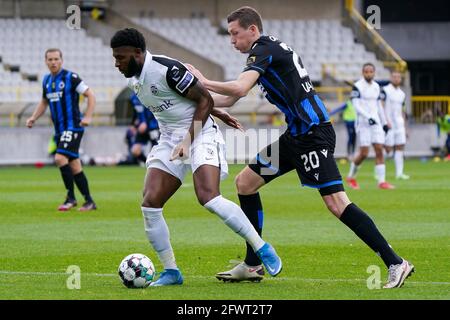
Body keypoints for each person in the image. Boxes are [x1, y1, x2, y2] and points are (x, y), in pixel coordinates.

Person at [187, 6, 413, 288]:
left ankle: (395, 262)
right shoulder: (265, 53)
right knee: (245, 183)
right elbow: (230, 101)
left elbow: (239, 90)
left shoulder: (264, 48)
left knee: (336, 202)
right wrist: (196, 99)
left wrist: (201, 81)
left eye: (235, 34)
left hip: (313, 134)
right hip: (295, 136)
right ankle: (253, 264)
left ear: (252, 30)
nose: (232, 41)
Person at [110, 28, 282, 286]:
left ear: (137, 53)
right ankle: (171, 272)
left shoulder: (167, 69)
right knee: (150, 204)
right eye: (115, 58)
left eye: (121, 57)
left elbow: (202, 100)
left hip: (200, 134)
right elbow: (184, 101)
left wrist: (190, 138)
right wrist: (216, 116)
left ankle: (261, 248)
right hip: (170, 139)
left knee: (208, 197)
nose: (117, 63)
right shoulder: (133, 80)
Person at [26, 48, 97, 212]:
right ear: (45, 61)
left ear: (61, 60)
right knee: (75, 165)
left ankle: (70, 198)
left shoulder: (70, 77)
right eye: (50, 59)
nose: (53, 62)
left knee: (59, 158)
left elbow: (90, 95)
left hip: (73, 127)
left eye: (56, 59)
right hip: (59, 129)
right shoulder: (46, 80)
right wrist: (33, 118)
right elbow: (44, 101)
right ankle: (89, 201)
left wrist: (88, 116)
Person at [346, 63, 395, 190]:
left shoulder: (377, 86)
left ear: (374, 73)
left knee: (379, 149)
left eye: (371, 71)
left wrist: (384, 122)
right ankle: (351, 177)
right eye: (366, 72)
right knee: (364, 153)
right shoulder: (357, 86)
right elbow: (356, 105)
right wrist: (368, 117)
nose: (368, 74)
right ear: (363, 73)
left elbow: (379, 106)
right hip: (363, 123)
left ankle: (381, 182)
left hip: (376, 122)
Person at [381, 71, 410, 179]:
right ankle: (378, 169)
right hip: (389, 123)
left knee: (400, 147)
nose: (397, 79)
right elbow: (381, 106)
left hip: (399, 124)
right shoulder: (385, 90)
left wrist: (405, 126)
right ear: (391, 78)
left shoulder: (402, 94)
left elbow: (403, 111)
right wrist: (385, 120)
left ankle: (399, 173)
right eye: (394, 77)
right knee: (388, 149)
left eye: (398, 77)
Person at [120, 94, 160, 165]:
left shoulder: (147, 93)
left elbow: (154, 111)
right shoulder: (133, 97)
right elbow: (136, 111)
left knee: (155, 151)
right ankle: (146, 163)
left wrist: (145, 123)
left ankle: (155, 166)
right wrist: (133, 125)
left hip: (153, 127)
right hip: (142, 127)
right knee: (135, 150)